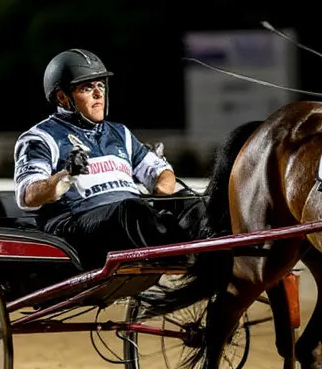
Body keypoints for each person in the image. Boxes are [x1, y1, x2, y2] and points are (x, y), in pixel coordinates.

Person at [12, 48, 191, 269]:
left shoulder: (120, 133)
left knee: (192, 203)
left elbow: (160, 171)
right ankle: (184, 257)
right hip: (73, 228)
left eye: (101, 86)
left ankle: (221, 257)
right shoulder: (40, 137)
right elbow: (28, 195)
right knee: (131, 209)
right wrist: (64, 177)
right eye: (87, 88)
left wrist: (163, 191)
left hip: (127, 219)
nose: (99, 94)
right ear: (62, 97)